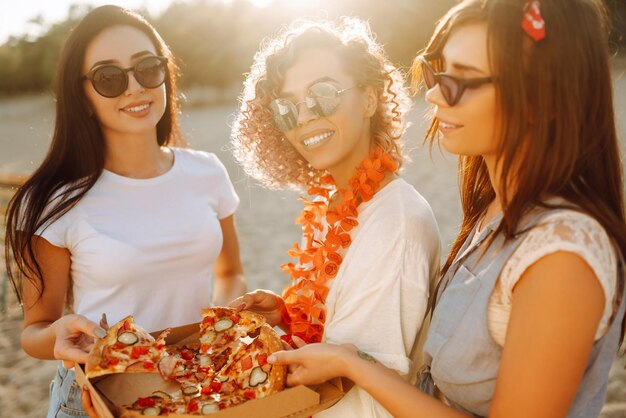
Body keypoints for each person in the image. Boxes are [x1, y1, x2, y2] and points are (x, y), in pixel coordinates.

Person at [266, 1, 626, 417]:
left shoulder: (562, 257)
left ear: (545, 99)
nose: (435, 92)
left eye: (464, 80)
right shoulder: (496, 210)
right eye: (438, 70)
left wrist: (353, 365)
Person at [4, 5, 246, 418]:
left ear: (165, 72)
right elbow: (34, 331)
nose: (134, 87)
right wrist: (58, 335)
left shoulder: (207, 171)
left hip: (194, 388)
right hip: (98, 399)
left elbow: (230, 273)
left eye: (147, 68)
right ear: (82, 93)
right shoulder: (53, 201)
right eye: (109, 78)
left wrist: (220, 330)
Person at [229, 18, 441, 417]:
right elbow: (338, 341)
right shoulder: (337, 205)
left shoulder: (395, 224)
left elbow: (371, 388)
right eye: (287, 108)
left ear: (369, 99)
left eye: (322, 94)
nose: (304, 116)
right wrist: (288, 317)